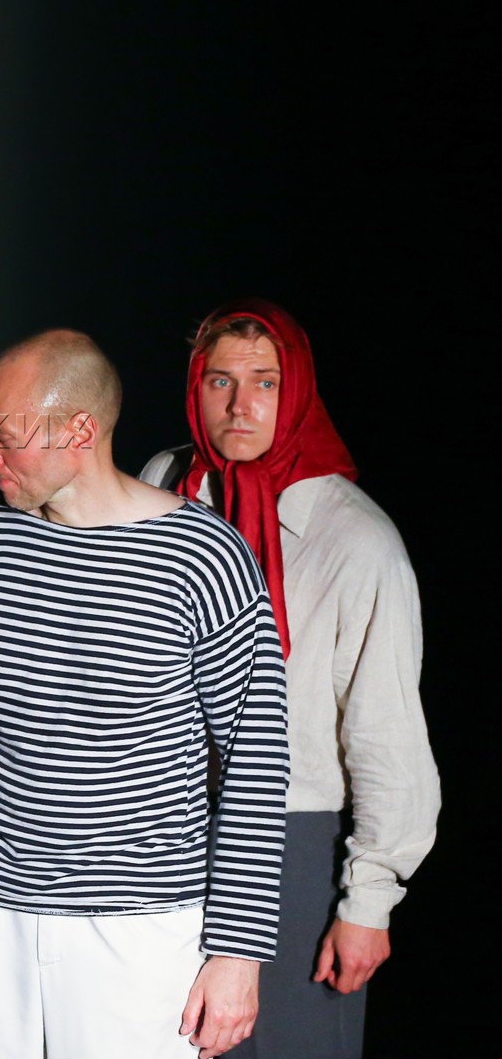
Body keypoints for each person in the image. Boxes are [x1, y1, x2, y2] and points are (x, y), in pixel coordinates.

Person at [0, 329, 290, 1059]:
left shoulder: (204, 558)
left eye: (5, 437)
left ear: (79, 431)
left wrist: (239, 952)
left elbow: (256, 762)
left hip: (138, 927)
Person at [141, 299, 439, 1059]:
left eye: (265, 383)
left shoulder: (357, 539)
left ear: (296, 389)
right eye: (220, 381)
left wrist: (369, 902)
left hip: (291, 844)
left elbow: (386, 735)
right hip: (157, 831)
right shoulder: (163, 487)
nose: (240, 405)